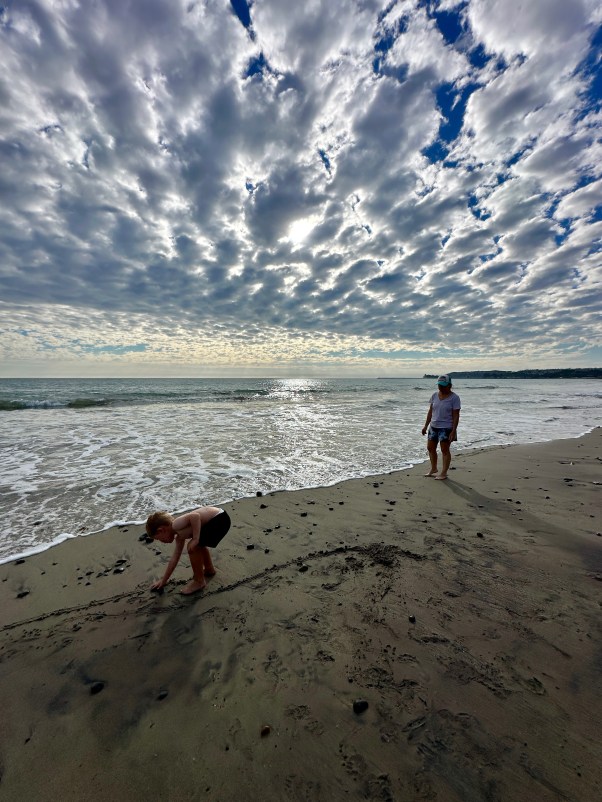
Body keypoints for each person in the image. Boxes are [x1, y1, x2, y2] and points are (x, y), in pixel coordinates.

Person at [145, 505, 231, 595]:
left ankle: (199, 581)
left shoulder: (176, 525)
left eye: (159, 539)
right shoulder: (179, 537)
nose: (162, 542)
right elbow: (175, 558)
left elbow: (195, 516)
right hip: (219, 519)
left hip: (219, 519)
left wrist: (195, 539)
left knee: (193, 546)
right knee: (199, 545)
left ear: (161, 530)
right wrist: (164, 580)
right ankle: (209, 569)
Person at [421, 374, 461, 480]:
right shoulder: (434, 395)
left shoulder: (454, 398)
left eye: (443, 385)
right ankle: (433, 468)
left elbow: (456, 415)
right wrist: (425, 426)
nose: (441, 387)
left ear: (449, 385)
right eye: (439, 385)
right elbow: (430, 411)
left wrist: (453, 430)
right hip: (433, 426)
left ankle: (444, 472)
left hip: (446, 427)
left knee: (444, 450)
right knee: (430, 448)